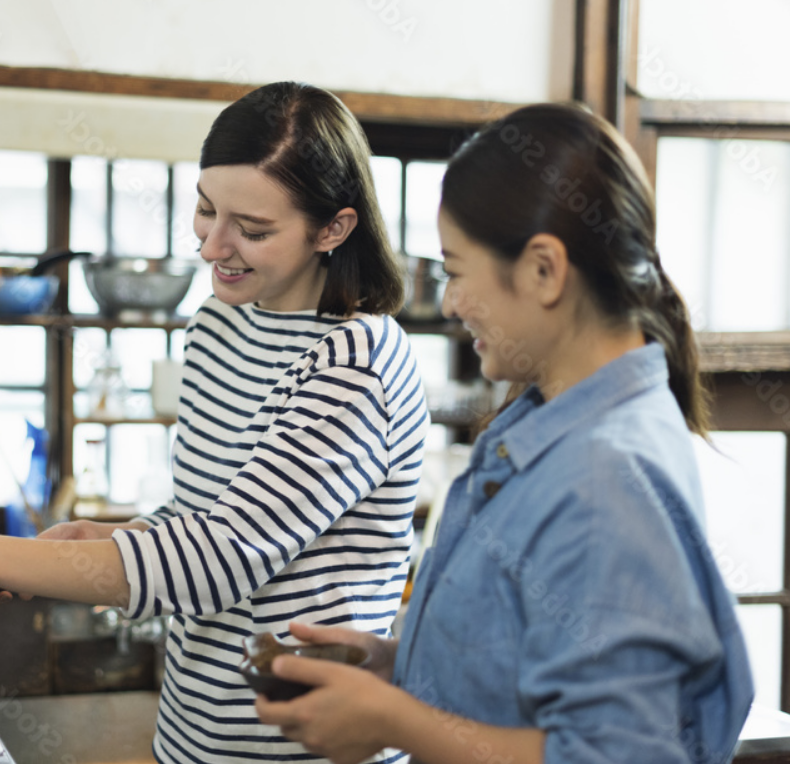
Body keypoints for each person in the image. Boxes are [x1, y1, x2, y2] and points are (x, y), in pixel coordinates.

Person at [0, 81, 431, 763]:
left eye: (253, 230)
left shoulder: (356, 361)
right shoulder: (219, 325)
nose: (212, 248)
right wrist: (111, 538)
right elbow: (201, 516)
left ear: (333, 229)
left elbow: (221, 559)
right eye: (206, 210)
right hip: (190, 738)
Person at [253, 102, 756, 764]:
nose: (451, 301)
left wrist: (395, 721)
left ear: (544, 270)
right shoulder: (551, 418)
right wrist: (402, 667)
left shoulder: (605, 475)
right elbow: (530, 660)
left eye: (458, 272)